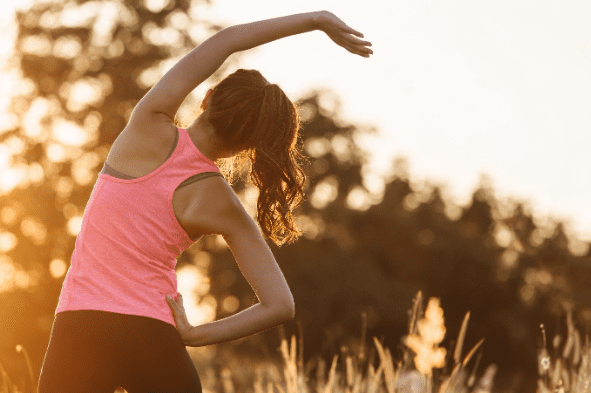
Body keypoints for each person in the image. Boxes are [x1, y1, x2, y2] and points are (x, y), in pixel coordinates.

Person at [38, 10, 372, 393]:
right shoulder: (222, 203)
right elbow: (280, 305)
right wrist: (196, 334)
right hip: (153, 335)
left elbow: (227, 40)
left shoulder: (147, 124)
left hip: (80, 326)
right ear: (249, 146)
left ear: (208, 98)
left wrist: (316, 19)